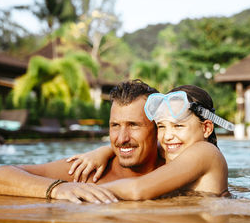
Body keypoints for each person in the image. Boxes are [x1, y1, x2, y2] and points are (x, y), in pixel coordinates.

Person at [0, 80, 163, 204]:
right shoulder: (87, 171)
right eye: (115, 125)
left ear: (158, 128)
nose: (122, 138)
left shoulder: (173, 166)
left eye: (133, 125)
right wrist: (58, 188)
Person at [68, 85, 233, 199]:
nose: (168, 136)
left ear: (206, 128)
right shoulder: (174, 149)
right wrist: (103, 151)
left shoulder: (205, 152)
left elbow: (137, 190)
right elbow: (140, 147)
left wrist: (77, 190)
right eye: (162, 126)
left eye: (178, 126)